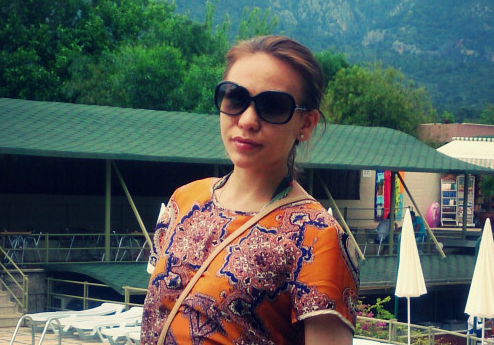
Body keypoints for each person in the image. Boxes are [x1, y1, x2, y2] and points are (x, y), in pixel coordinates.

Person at [141, 35, 359, 345]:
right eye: (235, 98)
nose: (247, 120)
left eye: (273, 106)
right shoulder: (184, 200)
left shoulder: (318, 236)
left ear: (306, 124)